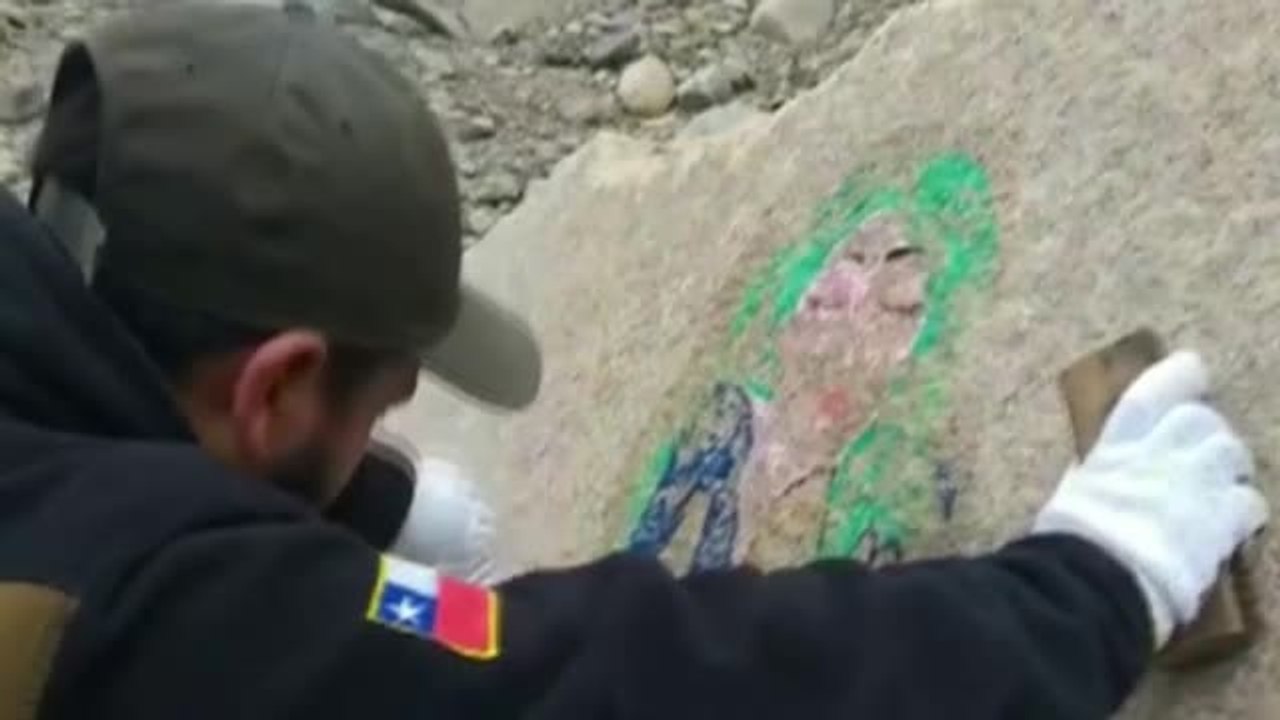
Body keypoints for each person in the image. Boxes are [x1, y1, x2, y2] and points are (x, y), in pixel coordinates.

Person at [0, 3, 1266, 719]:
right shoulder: (121, 614)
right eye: (384, 406)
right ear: (272, 386)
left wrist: (366, 509)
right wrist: (1087, 590)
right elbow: (601, 686)